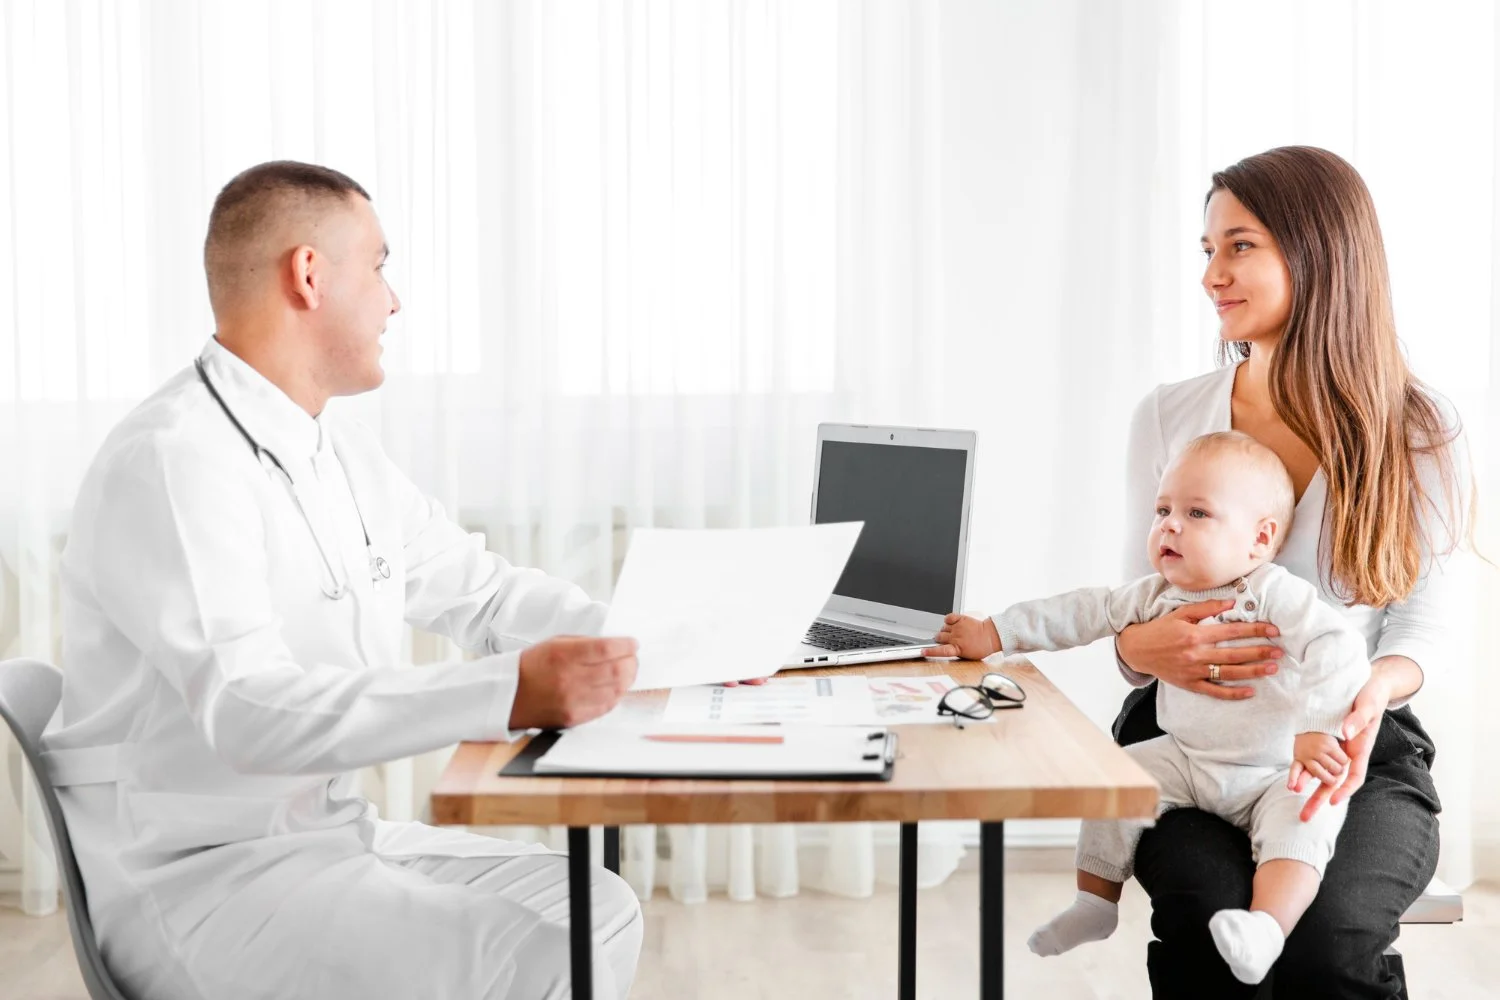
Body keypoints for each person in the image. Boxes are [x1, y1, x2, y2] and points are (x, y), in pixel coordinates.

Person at [45, 161, 644, 1000]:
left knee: (597, 910)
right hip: (203, 879)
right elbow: (248, 711)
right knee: (535, 957)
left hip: (327, 839)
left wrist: (654, 633)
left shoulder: (340, 450)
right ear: (309, 274)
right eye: (380, 265)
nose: (394, 300)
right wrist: (509, 692)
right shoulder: (175, 459)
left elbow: (484, 592)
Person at [1111, 146, 1470, 998]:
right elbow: (1134, 606)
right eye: (1207, 250)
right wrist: (1142, 648)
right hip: (1193, 737)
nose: (1212, 275)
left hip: (1351, 744)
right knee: (1208, 928)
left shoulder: (1417, 426)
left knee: (1330, 940)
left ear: (1319, 251)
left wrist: (1367, 697)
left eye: (1240, 246)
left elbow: (1426, 620)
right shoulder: (1171, 414)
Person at [927, 430, 1371, 984]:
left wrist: (1317, 730)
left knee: (1306, 824)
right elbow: (1079, 612)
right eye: (1163, 509)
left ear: (1259, 539)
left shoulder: (1275, 593)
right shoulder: (1153, 593)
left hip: (1274, 770)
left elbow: (1341, 647)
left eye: (1197, 513)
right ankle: (1095, 903)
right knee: (1116, 782)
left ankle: (1266, 929)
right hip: (1187, 757)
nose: (1169, 524)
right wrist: (995, 633)